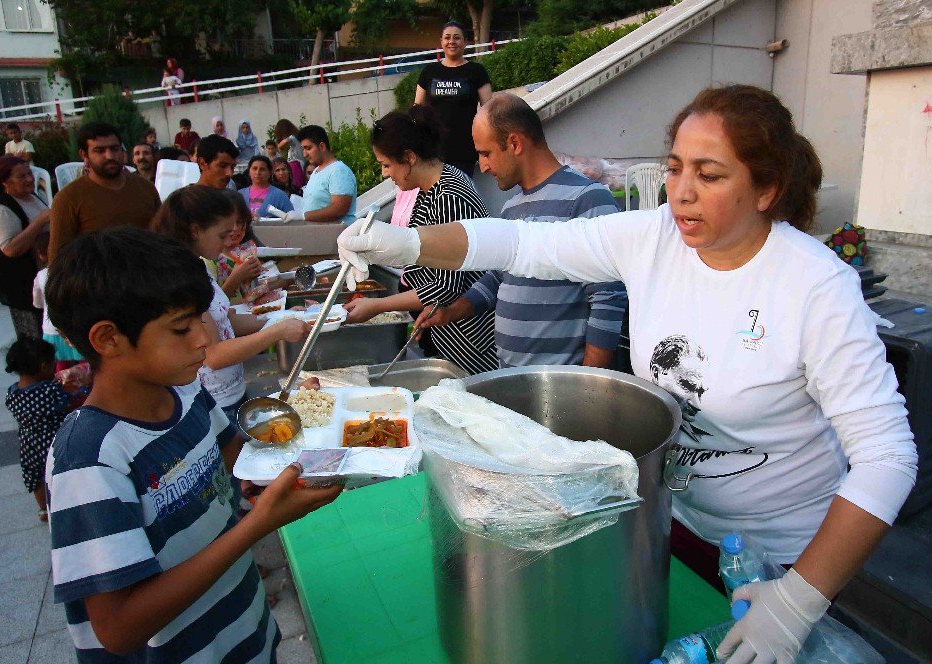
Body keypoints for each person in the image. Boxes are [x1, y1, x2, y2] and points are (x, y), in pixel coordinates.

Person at [338, 84, 919, 664]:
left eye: (710, 175)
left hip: (784, 554)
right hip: (674, 523)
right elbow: (524, 243)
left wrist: (796, 603)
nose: (682, 194)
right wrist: (408, 243)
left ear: (766, 188)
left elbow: (887, 457)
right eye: (674, 169)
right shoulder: (653, 236)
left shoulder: (816, 287)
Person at [44, 226, 341, 660]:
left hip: (243, 632)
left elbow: (233, 462)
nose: (203, 340)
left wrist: (279, 475)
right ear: (108, 339)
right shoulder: (89, 459)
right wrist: (258, 525)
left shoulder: (186, 393)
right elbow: (119, 628)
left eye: (201, 321)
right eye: (181, 328)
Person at [418, 93, 625, 369]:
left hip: (561, 385)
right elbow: (497, 279)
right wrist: (451, 312)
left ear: (514, 142)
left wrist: (586, 383)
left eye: (485, 153)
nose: (482, 166)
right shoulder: (511, 208)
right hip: (513, 378)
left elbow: (608, 298)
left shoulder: (587, 198)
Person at [343, 106, 497, 375]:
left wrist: (377, 306)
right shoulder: (429, 190)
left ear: (409, 157)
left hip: (472, 342)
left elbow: (445, 287)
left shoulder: (451, 195)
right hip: (449, 333)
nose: (384, 174)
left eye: (386, 165)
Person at [153, 185, 310, 420]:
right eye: (222, 235)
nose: (228, 240)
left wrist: (279, 317)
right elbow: (213, 355)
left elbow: (226, 321)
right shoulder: (182, 281)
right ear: (195, 231)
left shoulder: (197, 268)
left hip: (230, 393)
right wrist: (277, 331)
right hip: (212, 403)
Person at [49, 123, 160, 261]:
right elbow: (58, 259)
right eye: (99, 150)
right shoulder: (68, 198)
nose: (109, 156)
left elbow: (163, 236)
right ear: (84, 155)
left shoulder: (145, 188)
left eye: (114, 149)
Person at [4, 338, 79, 522]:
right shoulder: (49, 390)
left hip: (28, 443)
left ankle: (43, 510)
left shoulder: (12, 393)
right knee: (60, 472)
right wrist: (78, 392)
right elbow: (68, 404)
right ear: (44, 366)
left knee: (35, 476)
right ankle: (67, 504)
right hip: (54, 440)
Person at [415, 21, 492, 177]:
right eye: (447, 37)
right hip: (434, 151)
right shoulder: (429, 72)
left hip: (465, 150)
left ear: (465, 42)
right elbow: (417, 110)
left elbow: (489, 111)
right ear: (441, 42)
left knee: (459, 197)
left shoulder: (476, 71)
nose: (452, 42)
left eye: (457, 38)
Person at [0, 156, 49, 338]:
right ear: (5, 182)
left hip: (42, 276)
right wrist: (40, 222)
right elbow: (10, 249)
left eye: (29, 174)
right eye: (21, 176)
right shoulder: (1, 208)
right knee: (34, 335)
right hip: (22, 283)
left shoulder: (34, 197)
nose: (29, 179)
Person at [281, 125, 356, 224]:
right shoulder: (316, 171)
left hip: (337, 235)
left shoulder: (339, 171)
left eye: (308, 148)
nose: (304, 154)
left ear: (322, 146)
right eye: (303, 149)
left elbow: (339, 208)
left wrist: (304, 216)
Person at [32, 233, 84, 372]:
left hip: (50, 328)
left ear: (41, 254)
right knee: (83, 360)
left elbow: (37, 302)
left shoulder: (41, 275)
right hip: (73, 327)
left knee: (59, 365)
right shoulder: (73, 272)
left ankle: (60, 388)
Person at [216, 191, 266, 303]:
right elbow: (214, 307)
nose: (234, 228)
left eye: (239, 222)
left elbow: (253, 292)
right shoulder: (209, 260)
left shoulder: (246, 253)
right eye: (228, 223)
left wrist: (288, 278)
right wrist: (236, 277)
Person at [274, 119, 306, 187]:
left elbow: (282, 143)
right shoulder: (297, 138)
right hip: (300, 165)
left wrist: (279, 147)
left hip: (295, 166)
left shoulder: (292, 138)